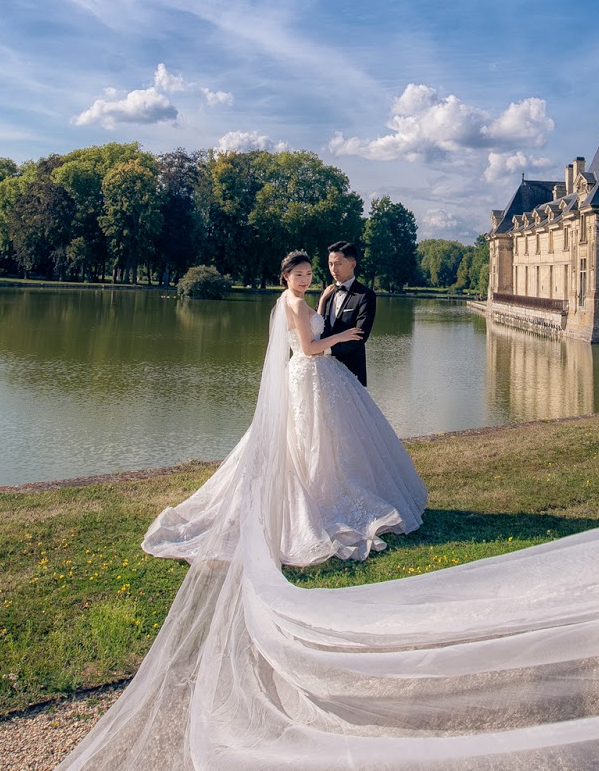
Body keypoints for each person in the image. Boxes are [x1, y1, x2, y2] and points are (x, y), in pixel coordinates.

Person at [141, 250, 427, 567]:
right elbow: (308, 348)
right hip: (310, 372)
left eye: (308, 274)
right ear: (286, 276)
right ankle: (320, 495)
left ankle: (322, 485)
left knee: (312, 438)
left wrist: (327, 318)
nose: (306, 280)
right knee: (311, 439)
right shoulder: (295, 302)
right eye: (299, 275)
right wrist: (343, 335)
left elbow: (308, 333)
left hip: (308, 374)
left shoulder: (289, 299)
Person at [319, 240, 375, 386]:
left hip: (351, 371)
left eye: (338, 263)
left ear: (352, 264)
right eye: (330, 264)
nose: (333, 269)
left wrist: (326, 350)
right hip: (323, 370)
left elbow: (359, 337)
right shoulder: (326, 293)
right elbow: (316, 326)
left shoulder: (365, 295)